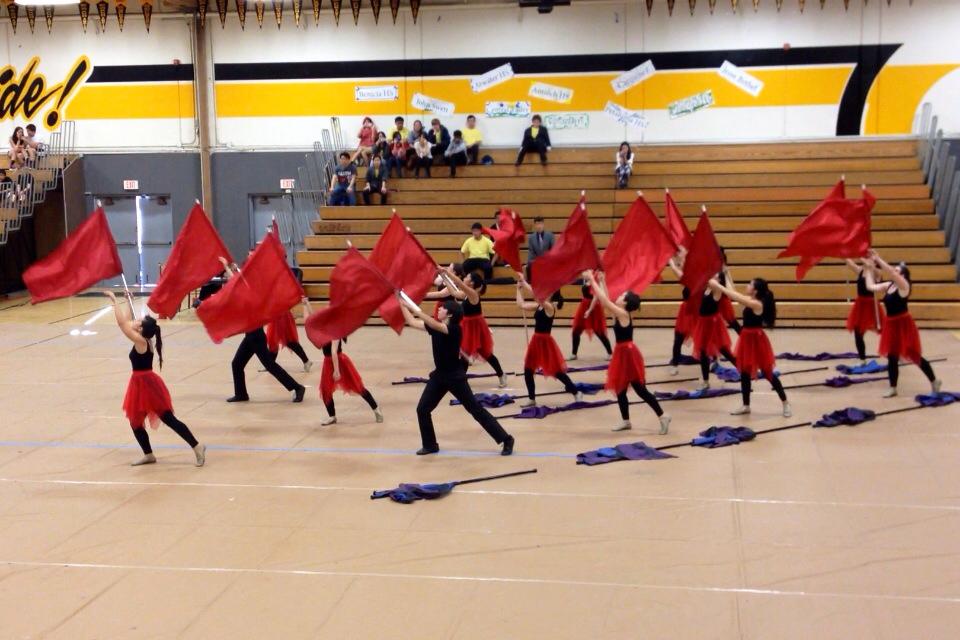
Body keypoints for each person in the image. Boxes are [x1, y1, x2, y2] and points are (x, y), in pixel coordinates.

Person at [399, 293, 515, 456]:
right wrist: (402, 303)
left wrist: (412, 306)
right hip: (439, 376)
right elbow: (411, 322)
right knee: (422, 409)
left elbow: (432, 322)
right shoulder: (435, 326)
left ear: (450, 314)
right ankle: (430, 445)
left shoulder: (454, 329)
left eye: (443, 308)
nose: (439, 308)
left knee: (475, 410)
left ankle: (506, 439)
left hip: (455, 377)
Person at [103, 290, 206, 467]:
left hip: (147, 386)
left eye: (139, 323)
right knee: (135, 422)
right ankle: (148, 454)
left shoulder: (141, 342)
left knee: (168, 419)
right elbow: (127, 322)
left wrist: (114, 301)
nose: (135, 322)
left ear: (142, 330)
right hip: (140, 384)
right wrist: (128, 301)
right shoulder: (143, 338)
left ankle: (197, 446)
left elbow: (122, 324)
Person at [583, 271, 671, 434]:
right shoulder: (620, 313)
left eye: (622, 296)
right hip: (622, 353)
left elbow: (605, 302)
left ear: (625, 303)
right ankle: (626, 420)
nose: (619, 296)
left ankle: (663, 415)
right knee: (620, 388)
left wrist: (592, 281)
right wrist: (602, 281)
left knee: (640, 389)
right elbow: (607, 303)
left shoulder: (623, 314)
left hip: (628, 355)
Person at [218, 258, 306, 404]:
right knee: (237, 364)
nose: (226, 277)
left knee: (269, 365)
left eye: (226, 275)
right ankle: (241, 394)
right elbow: (236, 281)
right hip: (251, 334)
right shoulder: (245, 288)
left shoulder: (248, 289)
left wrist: (226, 267)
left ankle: (297, 388)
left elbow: (236, 282)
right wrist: (232, 268)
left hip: (255, 335)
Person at [707, 276, 792, 417]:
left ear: (755, 290)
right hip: (746, 339)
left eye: (749, 284)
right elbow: (734, 292)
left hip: (756, 340)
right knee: (745, 373)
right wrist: (725, 273)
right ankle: (746, 405)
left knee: (767, 373)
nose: (747, 286)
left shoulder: (758, 304)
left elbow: (736, 297)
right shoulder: (751, 300)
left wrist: (718, 286)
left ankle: (785, 402)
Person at [863, 251, 941, 398]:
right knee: (892, 356)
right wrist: (868, 268)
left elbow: (891, 272)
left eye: (898, 270)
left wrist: (877, 258)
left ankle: (934, 381)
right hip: (891, 324)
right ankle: (893, 387)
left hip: (903, 324)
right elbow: (870, 287)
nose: (894, 271)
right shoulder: (889, 285)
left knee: (914, 355)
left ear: (903, 275)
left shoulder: (904, 286)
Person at [515, 276, 583, 407]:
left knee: (556, 371)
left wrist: (524, 283)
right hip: (536, 341)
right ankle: (531, 398)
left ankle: (575, 392)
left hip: (545, 343)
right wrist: (518, 289)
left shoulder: (550, 308)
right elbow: (521, 304)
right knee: (528, 370)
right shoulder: (539, 306)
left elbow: (537, 297)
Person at [442, 267, 508, 387]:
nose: (465, 277)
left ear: (471, 282)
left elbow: (460, 284)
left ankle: (501, 374)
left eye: (467, 277)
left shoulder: (473, 294)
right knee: (465, 354)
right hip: (467, 326)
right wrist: (444, 277)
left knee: (486, 353)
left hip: (476, 327)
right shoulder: (467, 294)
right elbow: (454, 292)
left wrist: (447, 273)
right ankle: (460, 379)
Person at [318, 339, 383, 426]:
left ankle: (376, 409)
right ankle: (332, 416)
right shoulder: (325, 331)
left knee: (358, 387)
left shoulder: (335, 332)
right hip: (328, 362)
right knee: (326, 390)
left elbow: (334, 351)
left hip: (339, 362)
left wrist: (336, 370)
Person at [693, 268, 738, 390]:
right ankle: (706, 381)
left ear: (719, 280)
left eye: (715, 275)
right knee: (703, 351)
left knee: (724, 350)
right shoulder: (707, 287)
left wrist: (726, 274)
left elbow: (727, 289)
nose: (712, 276)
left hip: (712, 323)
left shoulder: (717, 290)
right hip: (703, 323)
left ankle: (741, 368)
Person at [845, 258, 884, 364]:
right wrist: (843, 252)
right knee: (858, 333)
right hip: (860, 306)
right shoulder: (861, 270)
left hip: (872, 306)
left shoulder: (877, 272)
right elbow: (850, 263)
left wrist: (871, 265)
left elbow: (878, 275)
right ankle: (862, 359)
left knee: (885, 331)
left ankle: (896, 352)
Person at [667, 248, 697, 376]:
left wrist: (670, 259)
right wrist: (672, 258)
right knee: (678, 338)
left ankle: (714, 359)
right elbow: (677, 267)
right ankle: (675, 363)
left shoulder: (695, 277)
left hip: (696, 311)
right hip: (685, 312)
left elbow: (676, 268)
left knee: (705, 339)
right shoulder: (687, 276)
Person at [264, 296, 312, 372]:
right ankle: (270, 365)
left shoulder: (279, 286)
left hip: (281, 316)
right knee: (273, 340)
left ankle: (306, 361)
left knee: (288, 340)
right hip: (276, 315)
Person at [569, 281, 612, 360]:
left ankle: (610, 353)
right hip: (583, 307)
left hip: (594, 308)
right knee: (576, 331)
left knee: (599, 332)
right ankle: (574, 354)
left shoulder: (596, 282)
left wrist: (589, 310)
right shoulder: (586, 280)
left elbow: (596, 297)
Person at [526, 216, 555, 281]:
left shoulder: (550, 235)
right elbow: (531, 253)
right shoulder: (531, 238)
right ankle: (531, 286)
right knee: (529, 265)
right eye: (537, 224)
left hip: (548, 261)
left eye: (540, 224)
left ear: (543, 224)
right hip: (537, 262)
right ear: (535, 225)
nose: (539, 226)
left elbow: (553, 251)